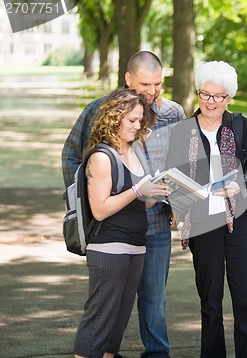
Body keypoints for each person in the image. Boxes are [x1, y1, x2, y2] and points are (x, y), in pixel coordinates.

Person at [62, 51, 185, 358]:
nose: (152, 91)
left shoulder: (173, 113)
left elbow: (182, 164)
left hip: (153, 224)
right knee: (107, 304)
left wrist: (176, 202)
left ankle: (157, 354)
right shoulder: (100, 111)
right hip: (111, 228)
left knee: (150, 299)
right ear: (128, 79)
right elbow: (71, 156)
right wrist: (87, 205)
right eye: (145, 83)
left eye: (158, 84)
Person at [166, 61, 247, 358]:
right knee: (210, 301)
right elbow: (173, 177)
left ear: (228, 98)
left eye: (219, 96)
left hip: (242, 220)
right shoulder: (183, 131)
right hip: (203, 220)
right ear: (198, 93)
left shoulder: (241, 125)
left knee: (246, 301)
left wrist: (241, 186)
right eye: (205, 95)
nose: (211, 102)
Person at [73, 88, 169, 358]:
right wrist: (138, 191)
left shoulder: (135, 151)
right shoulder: (101, 157)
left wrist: (157, 193)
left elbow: (138, 200)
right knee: (98, 324)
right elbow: (100, 209)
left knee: (115, 329)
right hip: (108, 249)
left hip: (136, 247)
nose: (137, 125)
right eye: (132, 120)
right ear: (114, 118)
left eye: (140, 120)